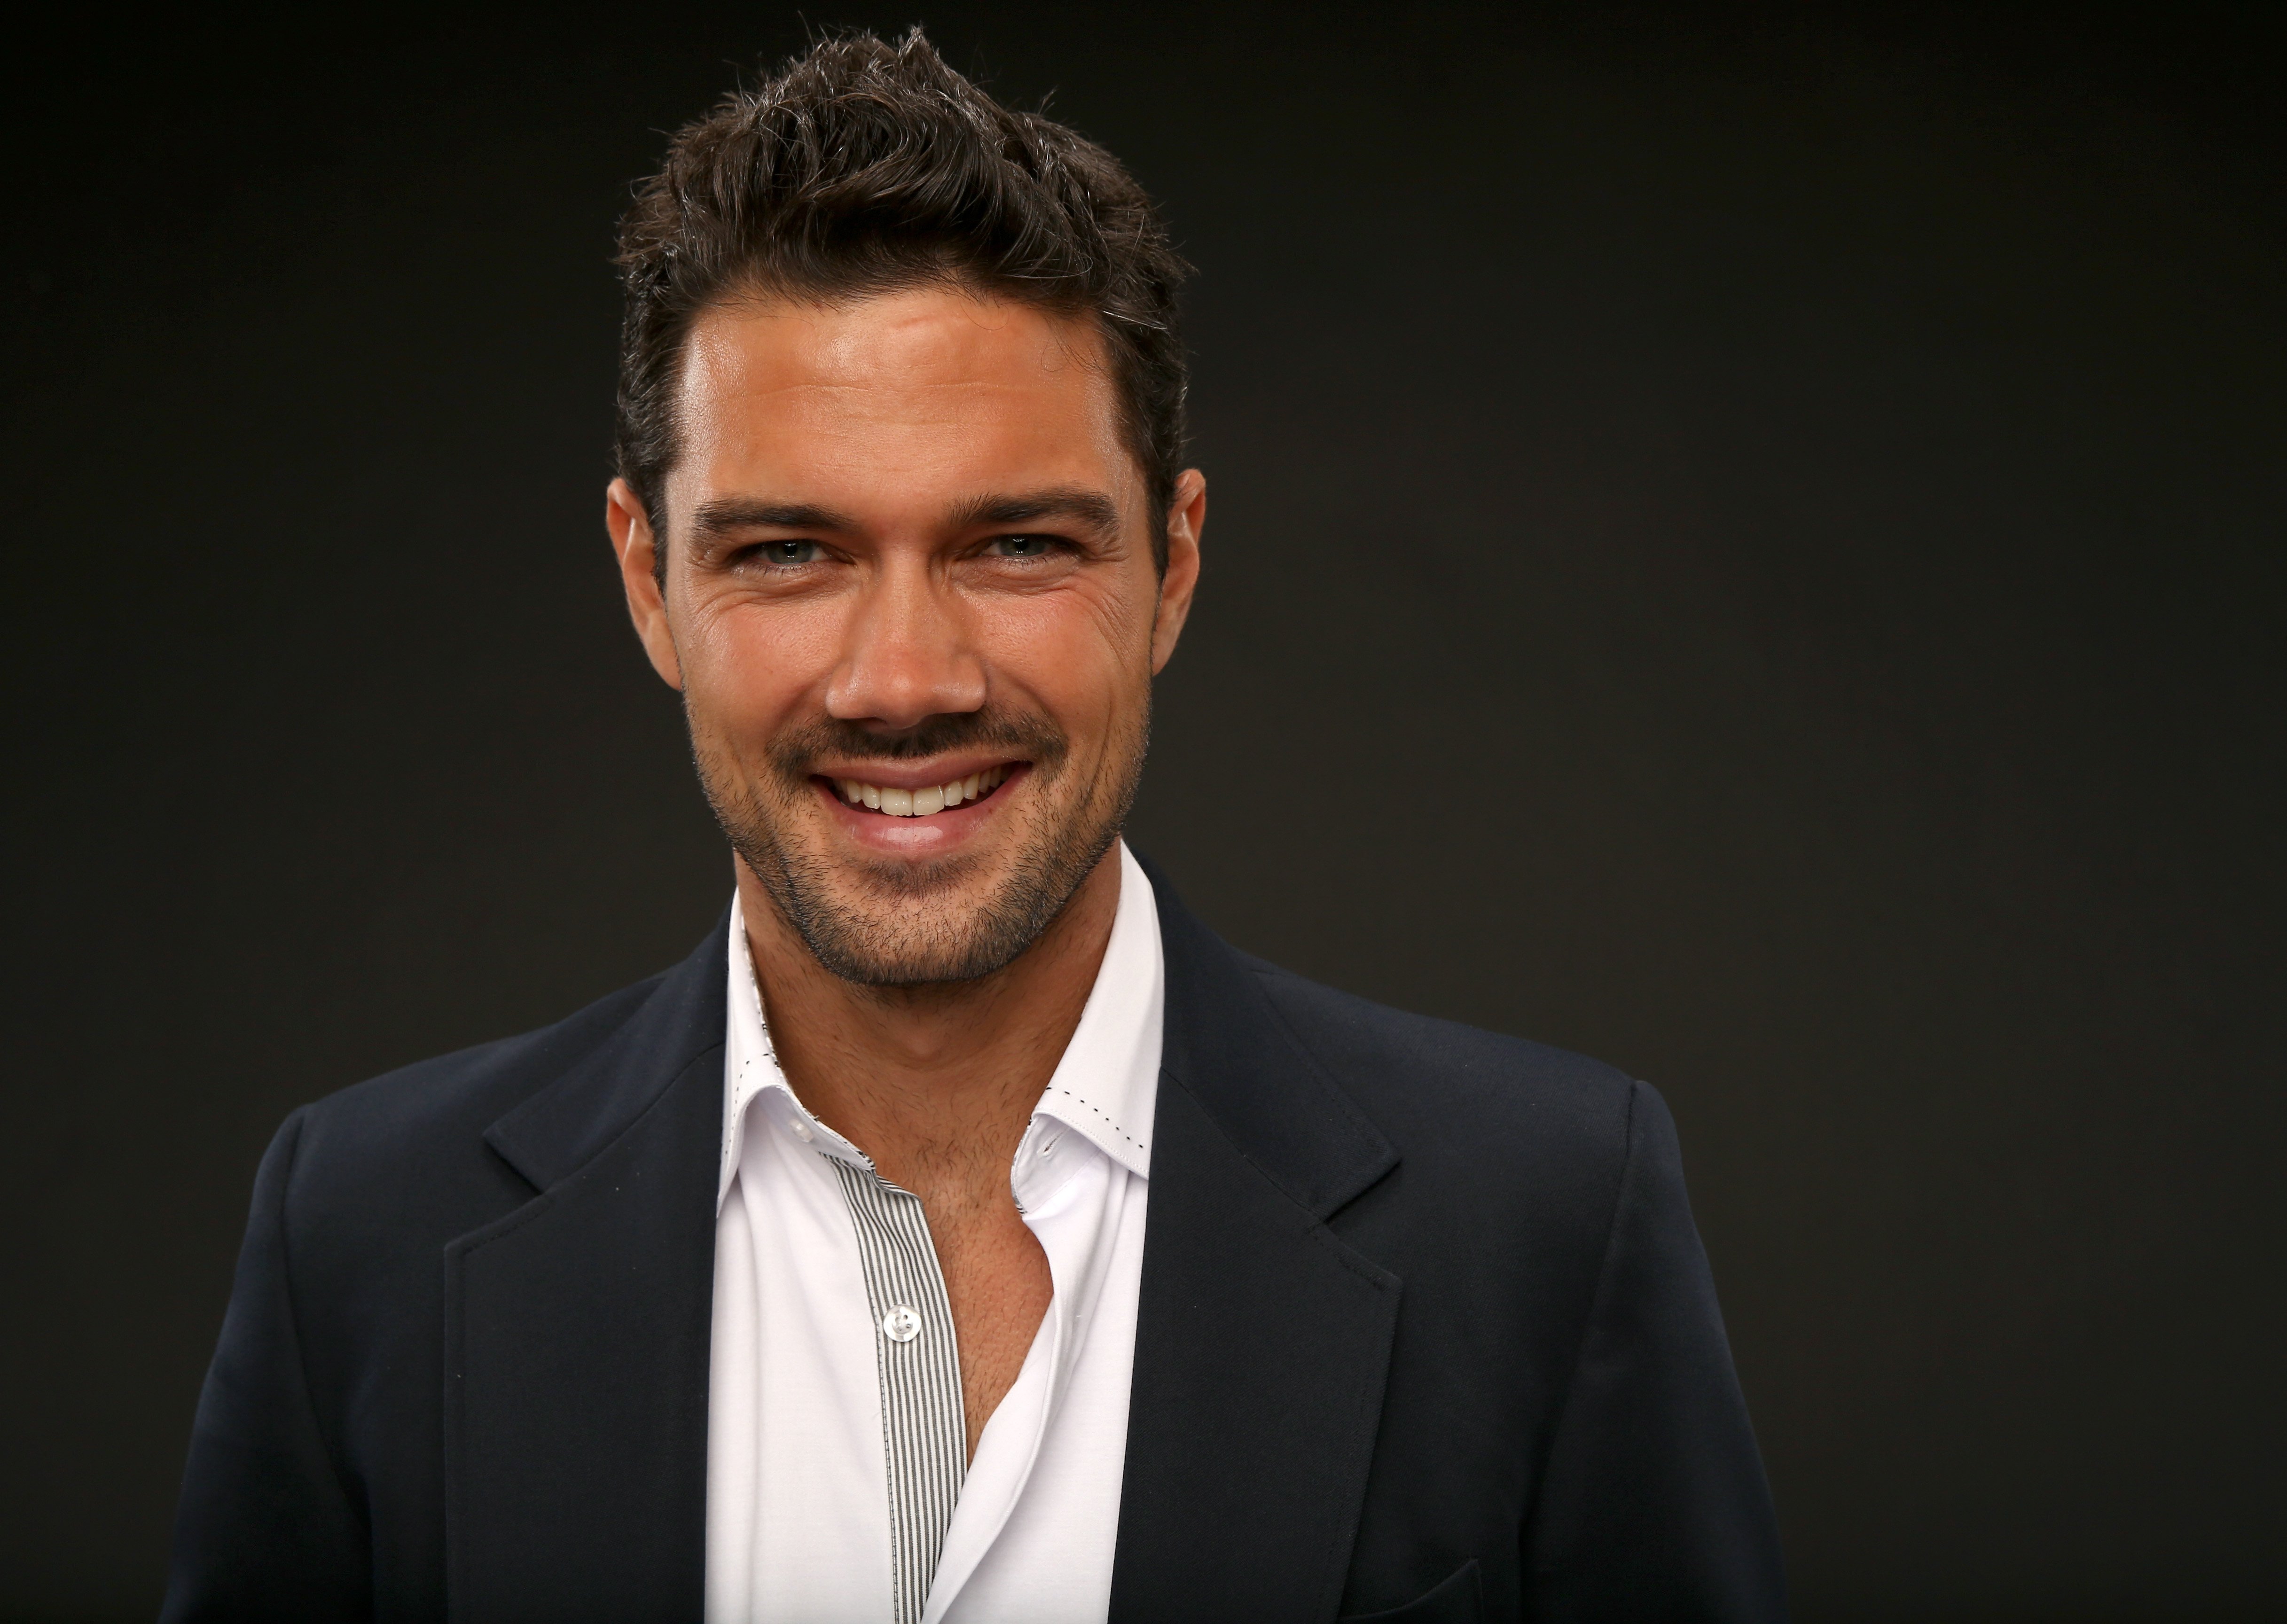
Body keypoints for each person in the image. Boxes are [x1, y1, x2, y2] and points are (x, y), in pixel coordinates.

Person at [162, 29, 1785, 1624]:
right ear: (647, 580)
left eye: (1014, 544)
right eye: (789, 552)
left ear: (1177, 566)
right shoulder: (362, 1235)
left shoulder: (1546, 1222)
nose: (903, 682)